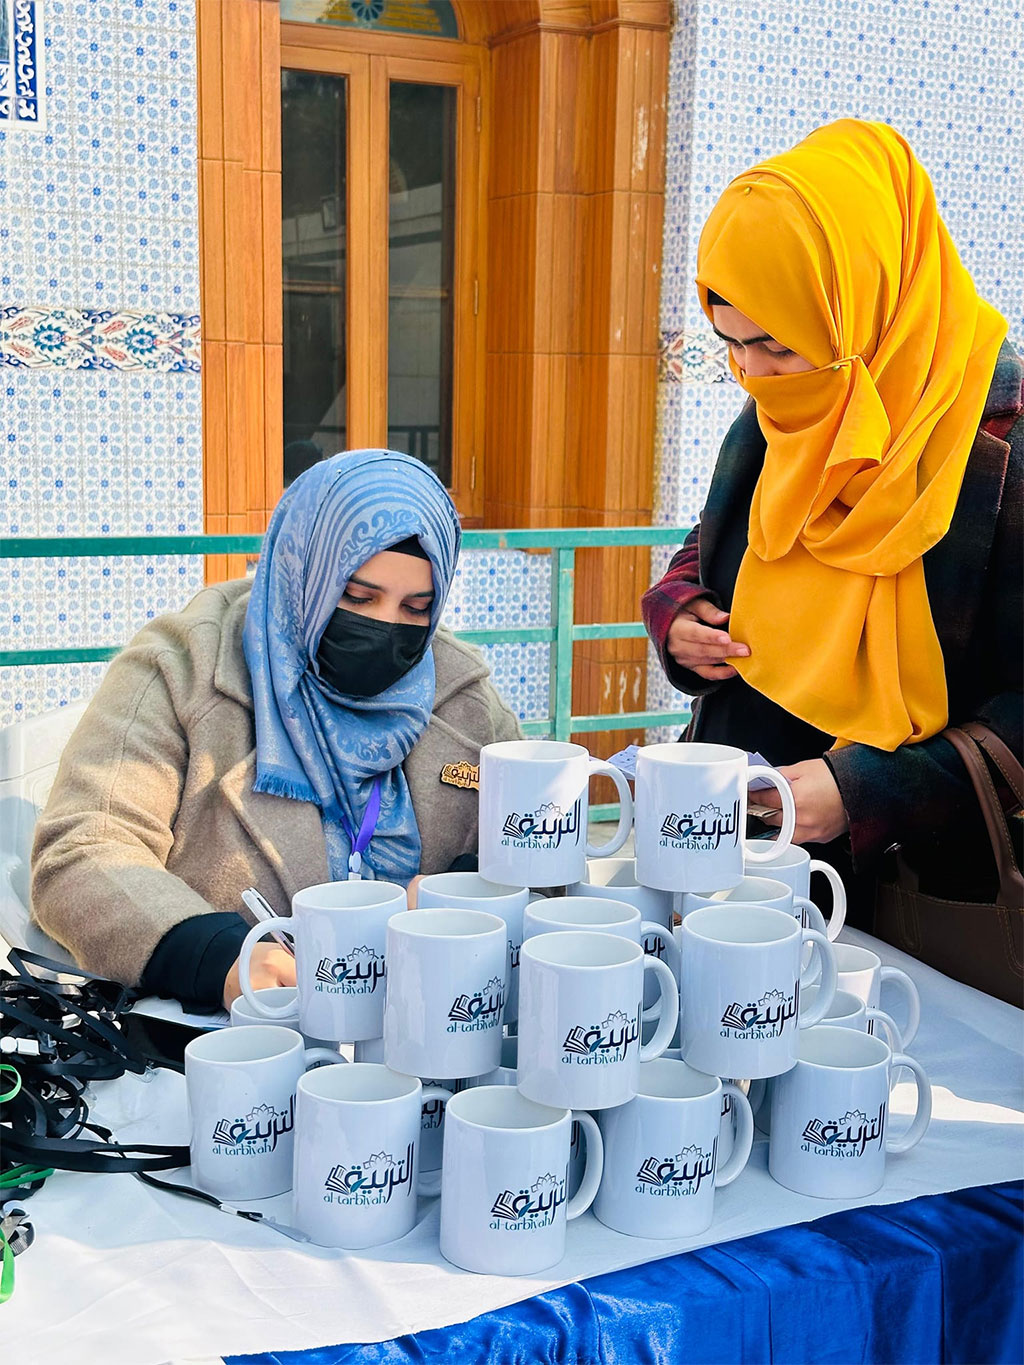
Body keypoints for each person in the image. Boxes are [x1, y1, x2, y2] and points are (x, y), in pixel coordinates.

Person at [642, 119, 1022, 922]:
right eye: (730, 344)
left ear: (865, 303)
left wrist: (865, 792)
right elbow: (722, 543)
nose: (752, 374)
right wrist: (678, 612)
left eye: (776, 344)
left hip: (922, 894)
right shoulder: (778, 416)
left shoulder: (999, 454)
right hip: (742, 862)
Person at [31, 450, 522, 1009]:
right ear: (304, 569)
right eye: (357, 597)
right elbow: (82, 852)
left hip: (435, 1025)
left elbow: (529, 841)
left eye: (416, 608)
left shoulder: (465, 696)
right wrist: (219, 959)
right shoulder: (181, 669)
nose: (386, 626)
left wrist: (462, 891)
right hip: (241, 1044)